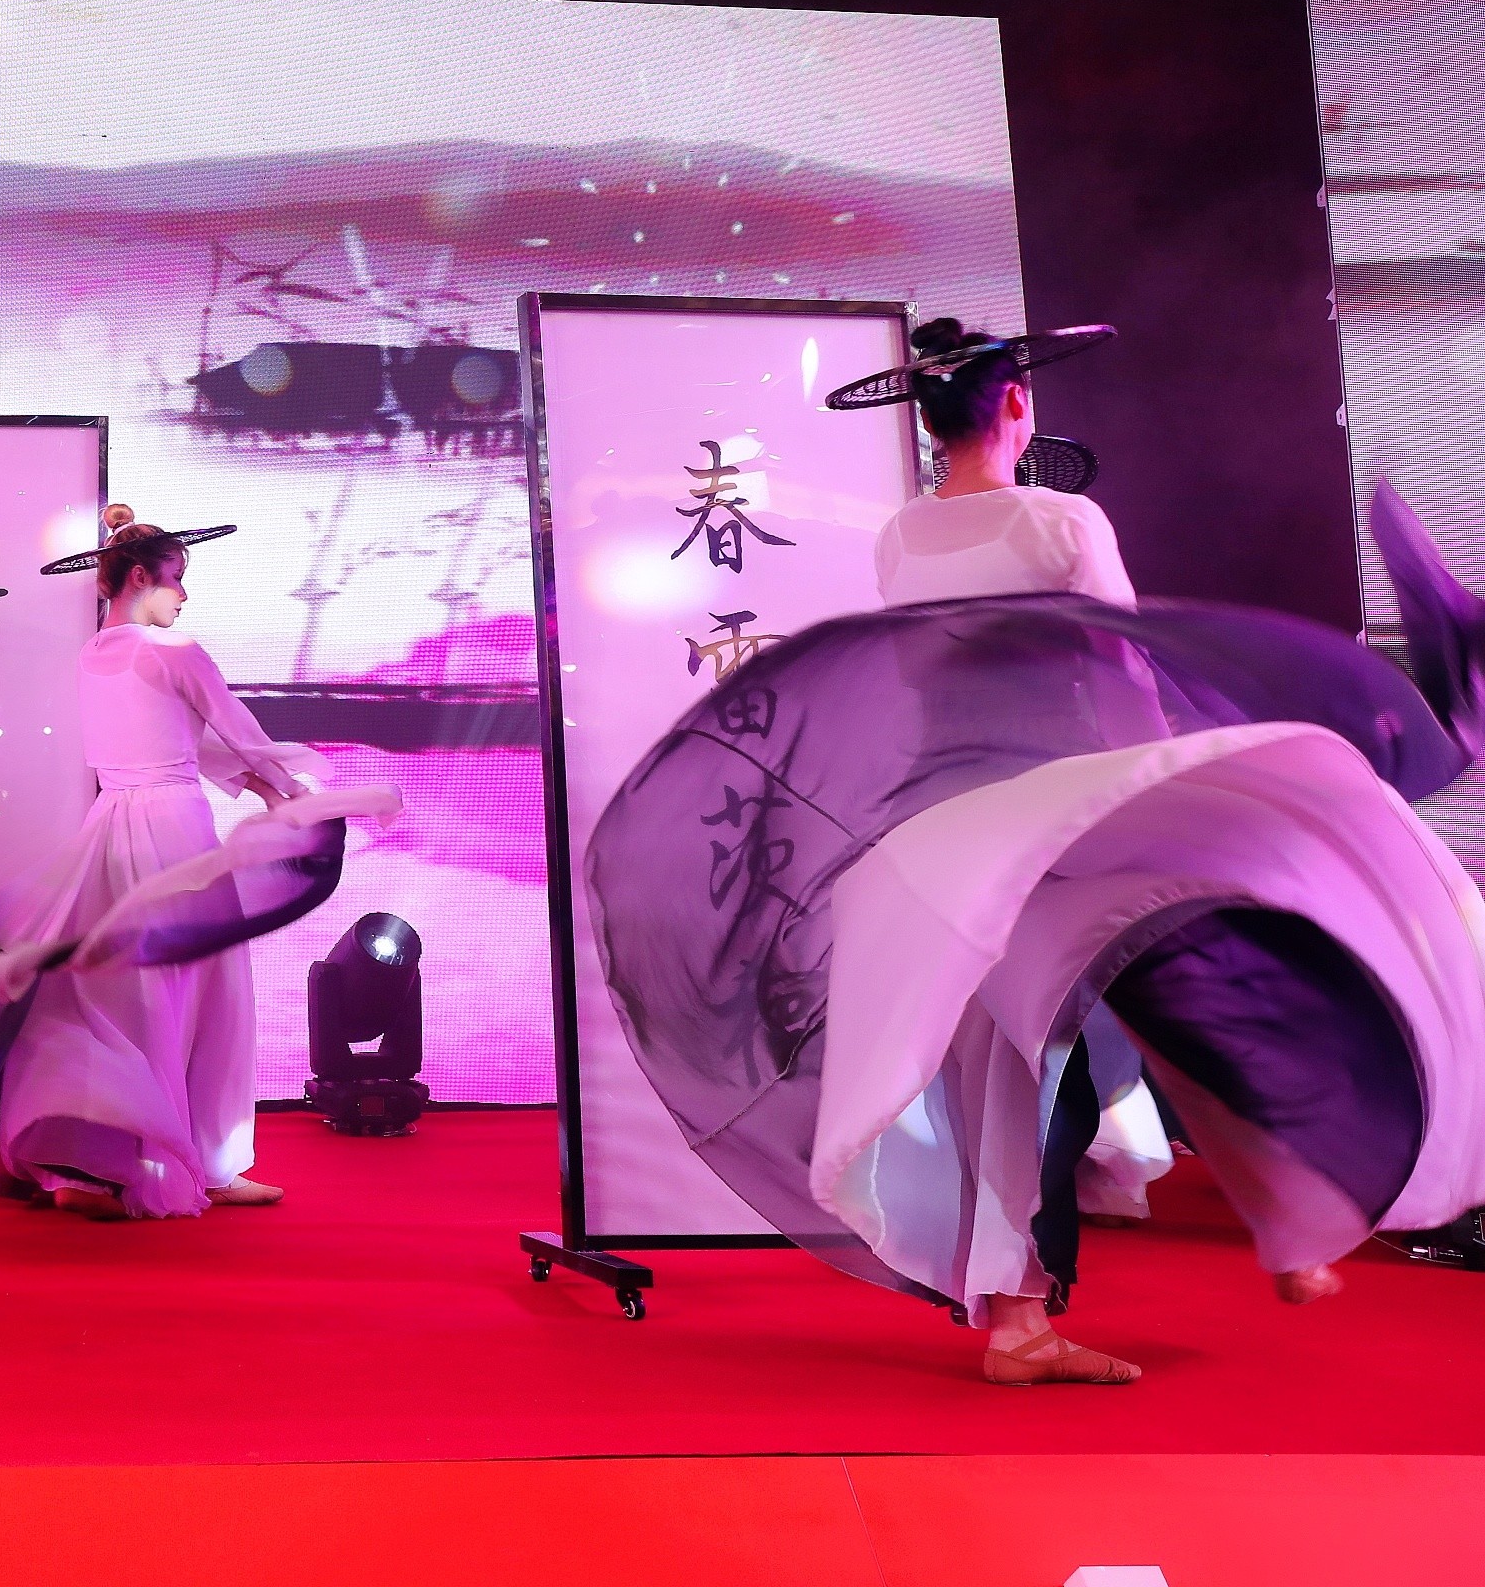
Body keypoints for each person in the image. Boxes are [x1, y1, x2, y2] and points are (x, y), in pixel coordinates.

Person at [591, 318, 1485, 1385]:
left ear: (930, 419)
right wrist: (1169, 782)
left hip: (952, 819)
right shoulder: (1063, 518)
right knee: (1199, 972)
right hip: (1062, 803)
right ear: (1016, 403)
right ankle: (1296, 1217)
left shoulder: (903, 535)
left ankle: (1029, 1316)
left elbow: (924, 677)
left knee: (1010, 1059)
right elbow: (1123, 663)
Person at [0, 507, 326, 1220]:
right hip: (172, 827)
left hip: (111, 824)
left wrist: (267, 792)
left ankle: (95, 1163)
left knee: (112, 995)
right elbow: (237, 731)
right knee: (202, 992)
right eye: (176, 578)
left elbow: (184, 736)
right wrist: (297, 791)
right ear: (139, 577)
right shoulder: (176, 651)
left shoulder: (95, 653)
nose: (184, 595)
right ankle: (204, 1161)